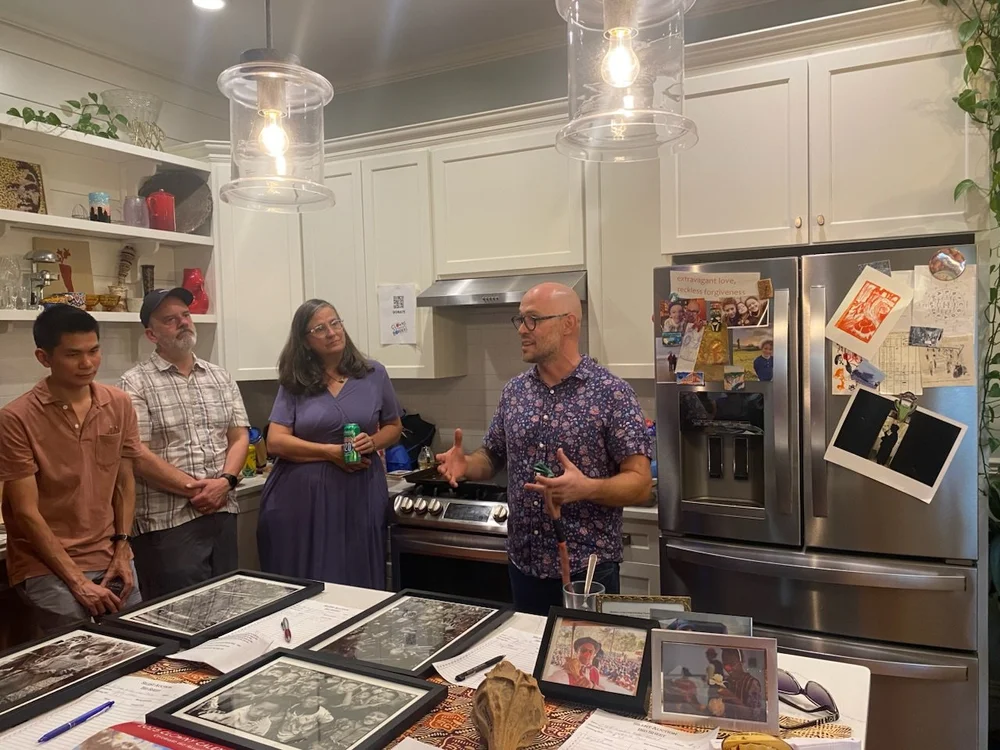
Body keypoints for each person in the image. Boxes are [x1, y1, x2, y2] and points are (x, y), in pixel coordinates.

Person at [436, 283, 652, 615]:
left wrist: (586, 488)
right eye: (520, 320)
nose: (522, 330)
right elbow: (491, 456)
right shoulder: (514, 392)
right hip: (523, 567)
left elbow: (640, 484)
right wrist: (466, 464)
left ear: (568, 323)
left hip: (587, 573)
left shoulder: (612, 394)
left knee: (584, 650)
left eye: (533, 320)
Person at [0, 306, 142, 631]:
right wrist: (78, 582)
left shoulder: (118, 403)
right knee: (77, 646)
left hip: (109, 551)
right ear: (44, 357)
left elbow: (124, 482)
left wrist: (123, 548)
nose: (87, 363)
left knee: (139, 638)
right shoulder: (16, 418)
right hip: (44, 562)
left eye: (94, 351)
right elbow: (25, 512)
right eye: (73, 354)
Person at [258, 299, 403, 587]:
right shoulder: (295, 381)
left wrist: (373, 442)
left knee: (356, 577)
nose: (332, 332)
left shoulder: (373, 374)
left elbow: (394, 427)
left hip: (359, 493)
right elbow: (275, 441)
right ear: (305, 341)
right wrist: (329, 453)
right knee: (307, 582)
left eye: (335, 323)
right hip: (301, 499)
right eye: (320, 328)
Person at [119, 289, 250, 600]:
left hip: (222, 512)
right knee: (180, 614)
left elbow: (239, 435)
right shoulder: (134, 383)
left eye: (186, 315)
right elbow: (138, 454)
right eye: (169, 320)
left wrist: (225, 482)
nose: (182, 323)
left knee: (228, 606)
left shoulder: (220, 377)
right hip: (168, 522)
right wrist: (197, 490)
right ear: (151, 335)